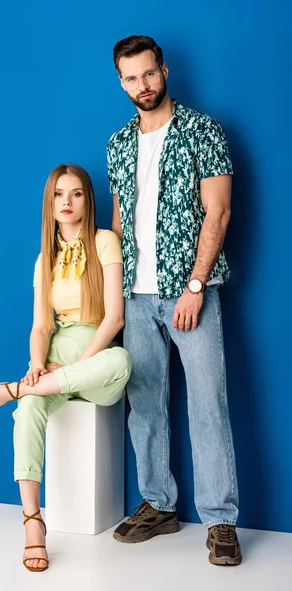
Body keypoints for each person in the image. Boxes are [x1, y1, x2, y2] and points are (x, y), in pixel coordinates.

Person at [107, 35, 241, 566]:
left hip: (191, 293)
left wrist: (193, 287)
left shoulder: (203, 130)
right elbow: (119, 222)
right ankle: (159, 504)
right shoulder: (118, 142)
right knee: (144, 407)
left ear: (164, 70)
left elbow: (219, 214)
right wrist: (112, 298)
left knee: (208, 403)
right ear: (121, 81)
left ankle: (221, 519)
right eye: (130, 78)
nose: (141, 86)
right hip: (134, 296)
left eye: (148, 74)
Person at [0, 164, 131, 572]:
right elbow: (41, 326)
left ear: (87, 200)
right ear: (50, 202)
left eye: (75, 194)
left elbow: (114, 320)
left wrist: (75, 365)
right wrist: (39, 366)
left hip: (92, 361)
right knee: (29, 416)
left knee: (122, 361)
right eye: (59, 194)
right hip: (54, 359)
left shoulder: (105, 242)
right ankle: (33, 524)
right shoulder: (46, 258)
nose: (67, 202)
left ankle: (11, 390)